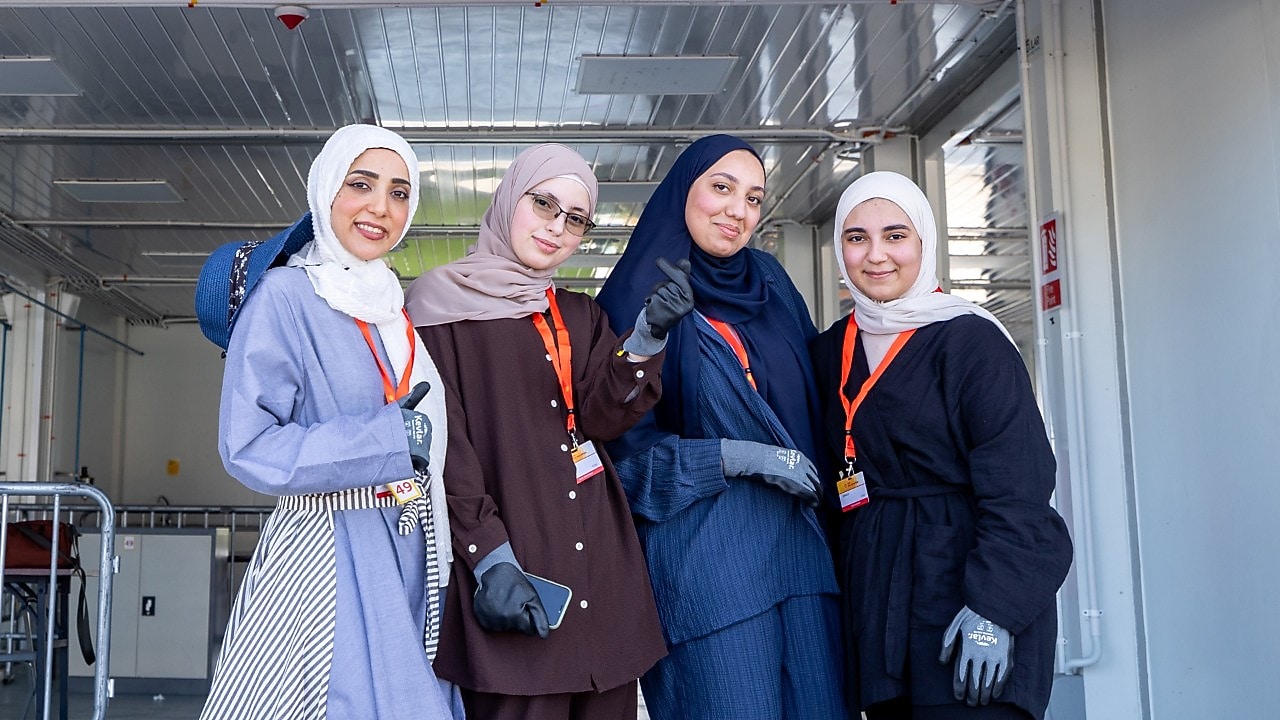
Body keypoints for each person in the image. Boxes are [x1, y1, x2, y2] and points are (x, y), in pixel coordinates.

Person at [405, 143, 687, 720]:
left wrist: (647, 338)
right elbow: (446, 452)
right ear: (511, 198)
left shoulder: (580, 315)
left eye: (576, 219)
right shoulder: (436, 307)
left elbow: (604, 419)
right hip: (515, 565)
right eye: (544, 204)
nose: (557, 228)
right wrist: (489, 558)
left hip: (600, 570)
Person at [198, 124, 463, 719]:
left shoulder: (393, 307)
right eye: (361, 185)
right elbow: (248, 444)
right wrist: (385, 439)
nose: (380, 207)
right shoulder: (288, 296)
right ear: (325, 191)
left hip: (410, 541)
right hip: (329, 547)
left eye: (399, 193)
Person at [595, 134, 846, 720]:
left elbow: (818, 401)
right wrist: (738, 456)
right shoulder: (636, 295)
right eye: (722, 188)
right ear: (685, 188)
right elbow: (620, 457)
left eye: (755, 199)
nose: (739, 211)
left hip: (804, 556)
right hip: (708, 565)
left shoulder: (773, 283)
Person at [810, 171, 1073, 720]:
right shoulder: (830, 348)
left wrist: (993, 611)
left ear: (925, 241)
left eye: (895, 235)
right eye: (856, 237)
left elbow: (1020, 489)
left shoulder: (971, 339)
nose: (876, 255)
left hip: (968, 598)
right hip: (879, 604)